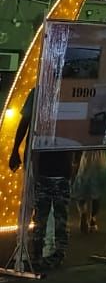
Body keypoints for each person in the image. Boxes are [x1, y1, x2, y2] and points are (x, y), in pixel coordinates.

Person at [8, 87, 75, 272]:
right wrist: (16, 150)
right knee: (38, 206)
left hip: (51, 160)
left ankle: (45, 251)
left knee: (47, 210)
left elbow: (25, 121)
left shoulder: (65, 93)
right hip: (40, 158)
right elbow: (25, 121)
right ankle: (28, 249)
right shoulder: (40, 91)